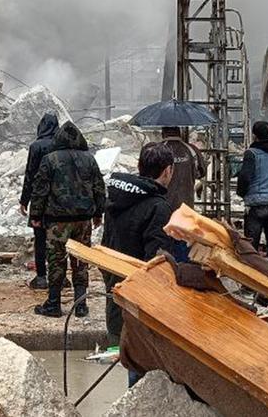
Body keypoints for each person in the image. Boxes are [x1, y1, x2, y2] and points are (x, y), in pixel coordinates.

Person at [101, 142, 178, 384]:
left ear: (139, 166)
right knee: (145, 369)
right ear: (167, 171)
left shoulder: (117, 199)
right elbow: (157, 260)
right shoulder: (158, 207)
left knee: (132, 360)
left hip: (116, 289)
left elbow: (105, 246)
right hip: (143, 300)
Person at [30, 121, 106, 318]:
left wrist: (36, 215)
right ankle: (81, 305)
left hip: (57, 221)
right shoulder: (89, 159)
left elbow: (40, 190)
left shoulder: (49, 159)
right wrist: (99, 213)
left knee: (56, 261)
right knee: (81, 261)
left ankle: (53, 304)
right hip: (83, 221)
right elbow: (99, 187)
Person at [235, 121, 268, 251]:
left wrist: (241, 193)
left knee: (251, 247)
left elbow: (245, 177)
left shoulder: (252, 153)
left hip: (256, 205)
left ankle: (252, 270)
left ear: (255, 136)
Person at [18, 112, 59, 290]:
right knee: (59, 241)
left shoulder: (37, 146)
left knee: (40, 239)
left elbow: (30, 174)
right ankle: (60, 277)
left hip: (40, 200)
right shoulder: (61, 144)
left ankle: (41, 277)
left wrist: (24, 200)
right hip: (60, 200)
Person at [160, 126, 204, 211]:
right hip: (186, 207)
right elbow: (201, 172)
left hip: (162, 207)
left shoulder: (158, 150)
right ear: (180, 133)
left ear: (163, 133)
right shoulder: (192, 150)